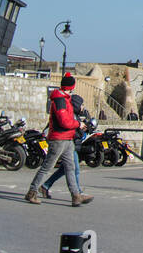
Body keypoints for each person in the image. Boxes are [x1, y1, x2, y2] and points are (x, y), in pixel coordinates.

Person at [25, 74, 93, 206]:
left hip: (67, 138)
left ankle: (76, 195)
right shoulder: (60, 100)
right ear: (71, 87)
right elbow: (64, 122)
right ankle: (32, 192)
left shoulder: (64, 99)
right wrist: (77, 124)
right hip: (59, 138)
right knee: (47, 167)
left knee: (70, 168)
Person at [40, 93, 89, 198]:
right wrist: (79, 129)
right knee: (73, 169)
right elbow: (68, 130)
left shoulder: (75, 116)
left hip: (70, 144)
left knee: (65, 169)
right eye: (81, 104)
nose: (83, 107)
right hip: (64, 143)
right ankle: (77, 193)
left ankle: (45, 186)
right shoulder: (69, 114)